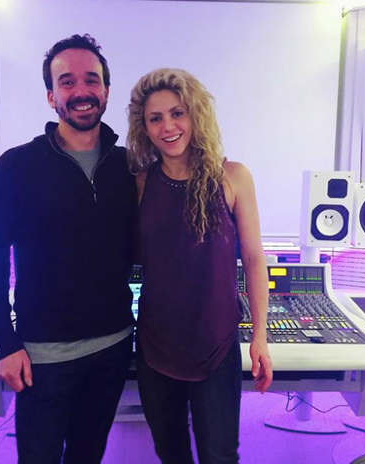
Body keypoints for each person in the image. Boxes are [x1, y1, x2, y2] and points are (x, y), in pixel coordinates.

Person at [0, 34, 136, 464]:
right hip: (42, 356)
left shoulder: (129, 167)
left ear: (106, 90)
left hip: (113, 347)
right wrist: (5, 343)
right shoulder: (17, 165)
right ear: (51, 96)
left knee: (87, 456)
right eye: (67, 82)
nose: (81, 91)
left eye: (91, 80)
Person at [126, 68, 273, 464]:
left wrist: (260, 337)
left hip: (216, 344)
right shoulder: (139, 183)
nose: (168, 127)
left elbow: (254, 259)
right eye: (155, 118)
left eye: (178, 113)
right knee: (170, 453)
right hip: (155, 346)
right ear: (144, 127)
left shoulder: (233, 177)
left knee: (219, 455)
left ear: (195, 115)